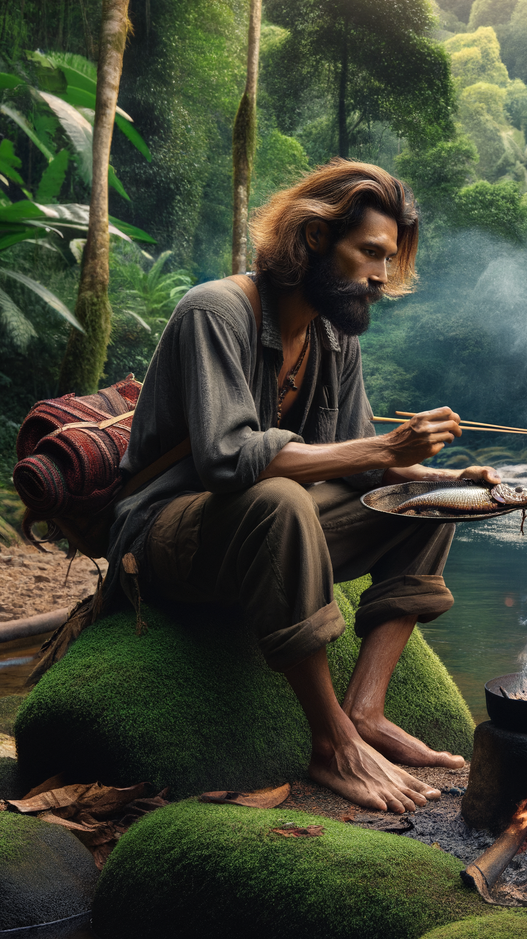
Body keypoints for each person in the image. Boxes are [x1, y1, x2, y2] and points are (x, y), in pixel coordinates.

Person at [108, 160, 500, 814]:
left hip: (254, 532)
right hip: (161, 537)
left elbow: (366, 469)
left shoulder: (333, 336)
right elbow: (228, 462)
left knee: (428, 505)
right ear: (315, 238)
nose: (381, 276)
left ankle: (366, 712)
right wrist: (385, 446)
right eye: (369, 253)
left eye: (390, 260)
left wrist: (446, 480)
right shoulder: (215, 312)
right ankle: (332, 741)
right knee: (281, 500)